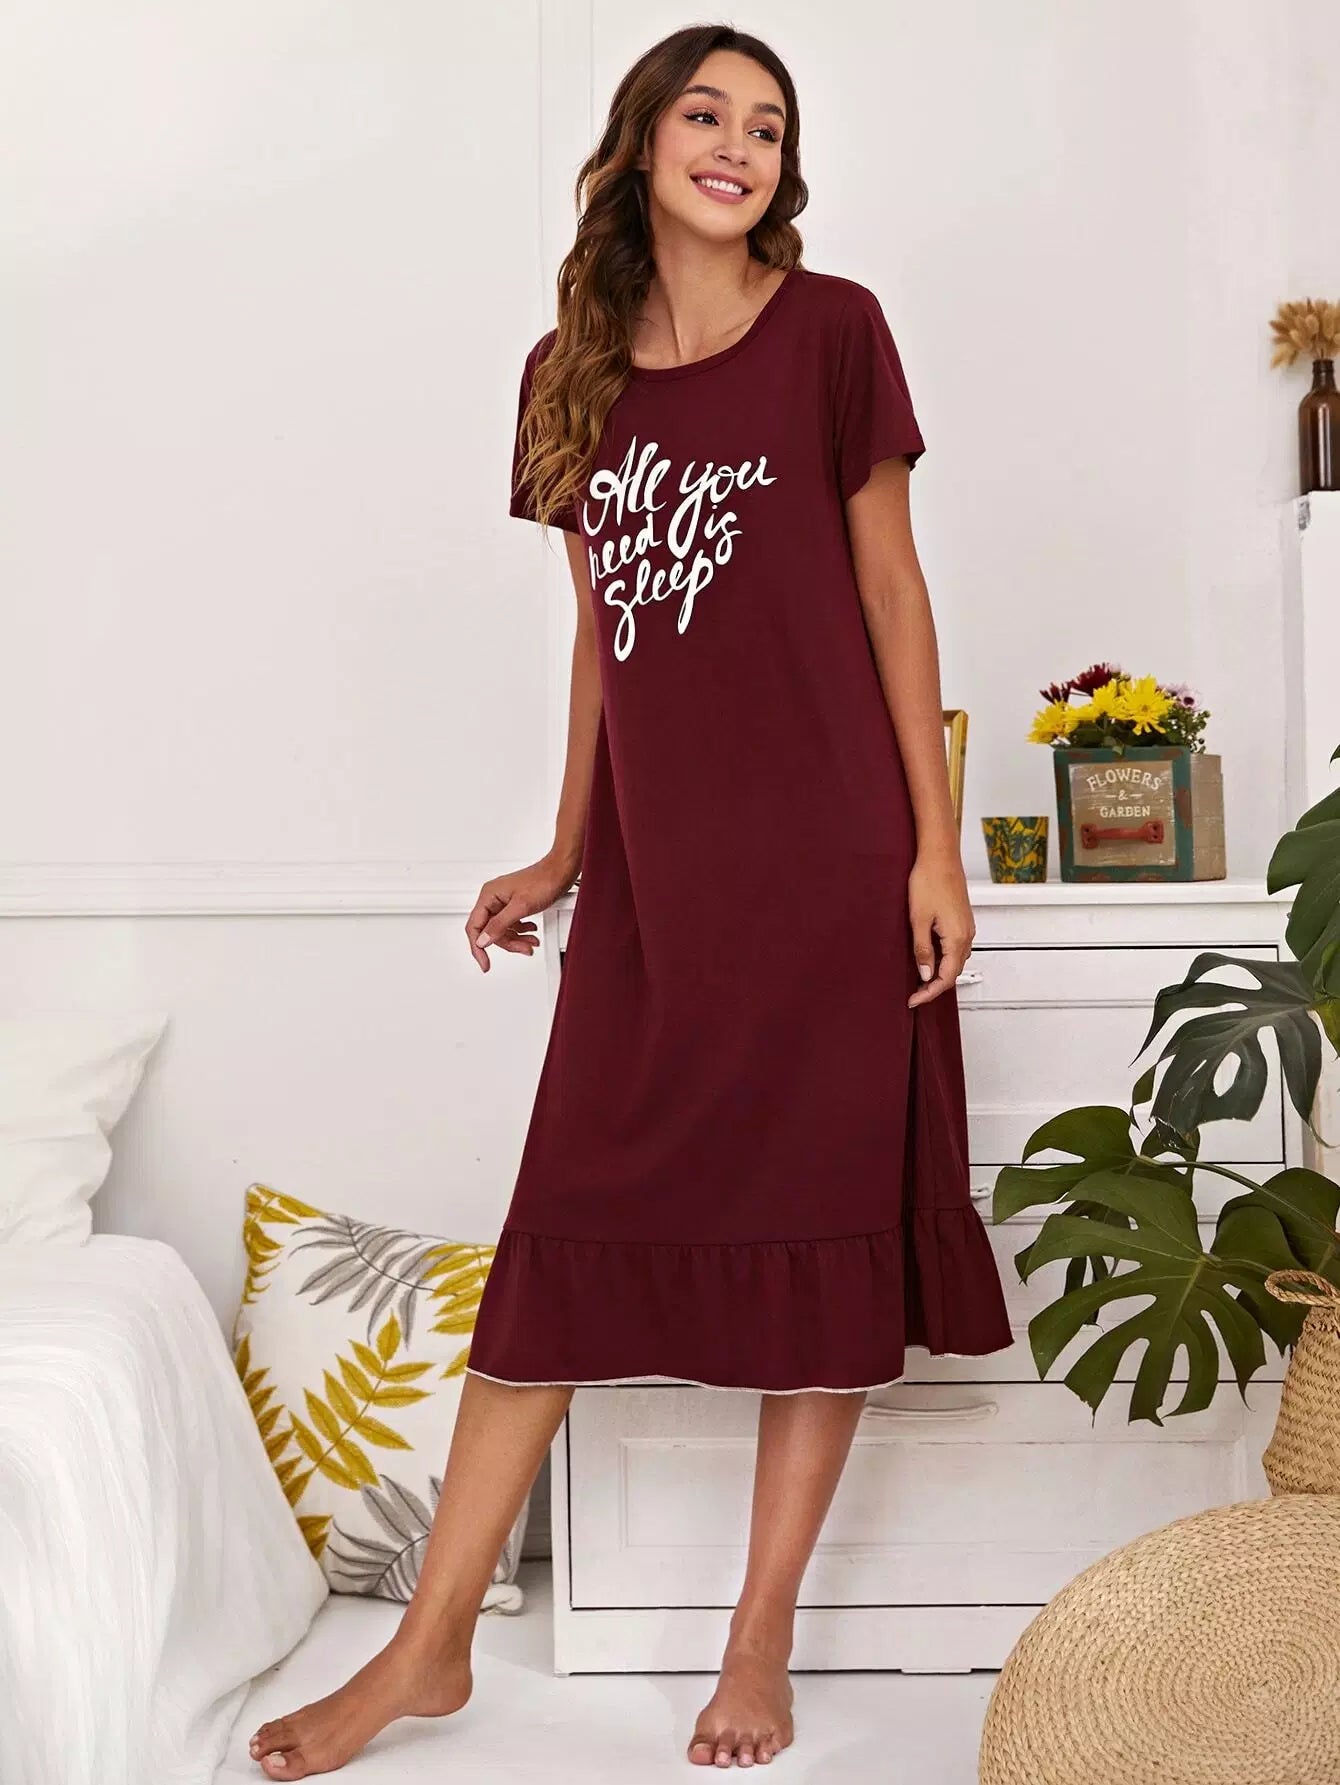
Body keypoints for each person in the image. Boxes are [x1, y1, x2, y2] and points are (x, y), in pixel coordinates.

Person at [249, 21, 1012, 1778]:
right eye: (705, 113)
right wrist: (568, 846)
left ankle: (759, 1638)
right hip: (661, 887)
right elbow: (605, 635)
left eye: (769, 126)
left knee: (823, 1243)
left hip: (830, 865)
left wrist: (934, 846)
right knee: (558, 1246)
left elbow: (895, 594)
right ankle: (428, 1646)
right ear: (641, 145)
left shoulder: (836, 331)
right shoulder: (564, 372)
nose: (737, 145)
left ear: (785, 169)